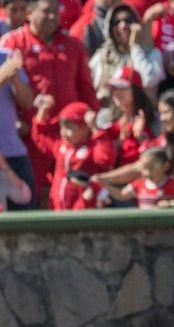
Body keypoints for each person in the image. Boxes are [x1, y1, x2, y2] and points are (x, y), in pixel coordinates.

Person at [1, 0, 99, 204]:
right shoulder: (13, 42)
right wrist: (16, 122)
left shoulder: (73, 44)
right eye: (47, 12)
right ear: (29, 12)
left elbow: (86, 87)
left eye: (57, 12)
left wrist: (92, 122)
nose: (54, 17)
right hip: (31, 135)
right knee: (32, 194)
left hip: (70, 135)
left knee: (71, 194)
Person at [31, 97, 117, 210]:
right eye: (62, 128)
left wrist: (95, 128)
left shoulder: (93, 148)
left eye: (69, 128)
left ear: (85, 128)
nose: (64, 133)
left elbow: (105, 159)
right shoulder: (62, 146)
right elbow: (40, 136)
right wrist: (42, 114)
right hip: (57, 208)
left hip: (82, 210)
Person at [89, 3, 165, 104]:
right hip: (111, 114)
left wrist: (135, 46)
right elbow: (93, 89)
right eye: (116, 22)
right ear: (110, 28)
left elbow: (147, 80)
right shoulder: (102, 57)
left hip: (143, 112)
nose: (123, 25)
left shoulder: (152, 53)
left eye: (128, 20)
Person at [98, 66, 158, 168]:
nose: (116, 92)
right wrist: (119, 141)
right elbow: (102, 159)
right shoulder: (105, 117)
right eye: (113, 88)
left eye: (122, 87)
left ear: (136, 91)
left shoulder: (154, 119)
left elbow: (157, 158)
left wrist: (140, 137)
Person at [101, 147, 174, 208]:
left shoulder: (172, 184)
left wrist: (172, 204)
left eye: (151, 167)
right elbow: (122, 195)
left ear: (165, 166)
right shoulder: (140, 183)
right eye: (144, 168)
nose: (146, 172)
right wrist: (104, 184)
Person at [0, 48, 34, 209]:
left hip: (14, 154)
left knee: (27, 227)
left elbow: (27, 103)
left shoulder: (6, 57)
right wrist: (2, 75)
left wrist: (14, 78)